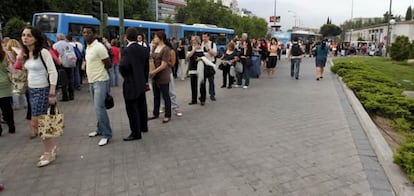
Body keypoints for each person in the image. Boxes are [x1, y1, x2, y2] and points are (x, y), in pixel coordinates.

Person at [20, 26, 58, 167]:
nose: (25, 38)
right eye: (23, 35)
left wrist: (52, 92)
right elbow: (21, 70)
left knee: (40, 122)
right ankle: (51, 148)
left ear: (35, 37)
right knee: (38, 122)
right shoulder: (26, 53)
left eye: (29, 35)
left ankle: (49, 152)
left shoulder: (43, 52)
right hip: (32, 90)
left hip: (43, 90)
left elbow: (53, 72)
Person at [83, 26, 113, 146]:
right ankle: (100, 129)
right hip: (92, 81)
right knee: (97, 107)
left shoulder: (99, 47)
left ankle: (107, 134)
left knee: (100, 107)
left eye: (88, 32)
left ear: (94, 34)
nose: (86, 34)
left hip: (100, 80)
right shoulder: (88, 47)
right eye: (84, 32)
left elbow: (108, 64)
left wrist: (100, 73)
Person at [119, 27, 149, 141]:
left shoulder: (127, 50)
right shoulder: (144, 49)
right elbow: (146, 67)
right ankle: (144, 126)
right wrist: (145, 79)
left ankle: (135, 132)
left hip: (131, 82)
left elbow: (123, 66)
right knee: (142, 106)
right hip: (141, 81)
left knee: (131, 108)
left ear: (126, 37)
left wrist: (126, 76)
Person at [148, 31, 172, 123]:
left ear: (160, 38)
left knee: (166, 96)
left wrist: (153, 71)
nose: (154, 39)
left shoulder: (166, 49)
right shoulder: (155, 47)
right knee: (156, 96)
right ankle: (155, 113)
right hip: (155, 76)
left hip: (163, 76)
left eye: (155, 37)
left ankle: (168, 115)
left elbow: (164, 65)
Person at [5, 39, 28, 110]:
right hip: (21, 71)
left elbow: (8, 64)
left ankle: (16, 105)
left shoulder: (7, 53)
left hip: (13, 71)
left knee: (14, 90)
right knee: (23, 88)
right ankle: (26, 103)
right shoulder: (20, 52)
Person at [53, 33, 75, 101]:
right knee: (70, 79)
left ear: (58, 38)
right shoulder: (69, 45)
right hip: (70, 63)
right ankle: (71, 95)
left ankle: (65, 96)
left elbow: (55, 55)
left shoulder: (56, 45)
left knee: (63, 80)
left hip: (61, 64)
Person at [0, 39, 15, 136]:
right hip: (5, 84)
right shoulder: (4, 55)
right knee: (7, 108)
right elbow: (11, 69)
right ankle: (11, 126)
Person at [187, 36, 206, 105]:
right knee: (193, 84)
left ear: (198, 41)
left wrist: (200, 58)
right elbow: (188, 56)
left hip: (201, 67)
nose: (193, 41)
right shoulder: (190, 47)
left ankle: (202, 99)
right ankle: (194, 99)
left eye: (194, 40)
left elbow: (206, 57)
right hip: (193, 68)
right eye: (192, 40)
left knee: (202, 84)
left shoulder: (202, 47)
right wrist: (194, 49)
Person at [201, 32, 217, 101]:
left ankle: (212, 94)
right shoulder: (201, 44)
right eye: (203, 37)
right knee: (202, 81)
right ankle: (202, 95)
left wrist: (208, 49)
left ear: (208, 37)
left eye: (205, 37)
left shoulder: (212, 44)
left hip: (210, 64)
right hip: (203, 63)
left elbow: (214, 54)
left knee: (211, 80)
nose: (204, 38)